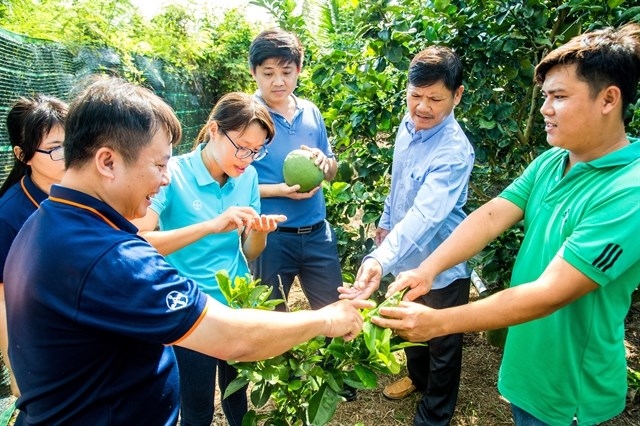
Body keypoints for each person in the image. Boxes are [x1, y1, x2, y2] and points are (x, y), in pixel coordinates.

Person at [3, 75, 371, 425]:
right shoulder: (107, 256)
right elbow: (232, 337)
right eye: (159, 164)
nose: (165, 177)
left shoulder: (43, 221)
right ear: (107, 161)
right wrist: (326, 319)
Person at [369, 23, 640, 426]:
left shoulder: (628, 190)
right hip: (526, 371)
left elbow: (549, 294)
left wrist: (439, 322)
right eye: (546, 96)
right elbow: (490, 215)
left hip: (569, 394)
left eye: (559, 97)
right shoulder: (553, 161)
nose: (546, 108)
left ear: (609, 99)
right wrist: (427, 270)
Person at [340, 46, 475, 425]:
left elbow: (426, 215)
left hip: (441, 262)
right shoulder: (407, 125)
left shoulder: (453, 152)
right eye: (415, 96)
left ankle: (435, 413)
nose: (422, 107)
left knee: (443, 345)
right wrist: (385, 222)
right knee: (408, 327)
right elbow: (399, 184)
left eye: (435, 98)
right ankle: (417, 379)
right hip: (403, 259)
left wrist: (379, 258)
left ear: (457, 95)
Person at [132, 92, 285, 426]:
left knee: (237, 396)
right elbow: (139, 241)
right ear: (215, 130)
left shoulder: (248, 177)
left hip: (236, 301)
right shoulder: (173, 173)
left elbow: (248, 252)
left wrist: (260, 231)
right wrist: (210, 226)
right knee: (197, 406)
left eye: (256, 151)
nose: (247, 158)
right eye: (241, 146)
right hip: (189, 309)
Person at [0, 94, 68, 401]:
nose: (68, 155)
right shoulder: (8, 217)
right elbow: (2, 300)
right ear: (22, 154)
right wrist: (15, 369)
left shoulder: (87, 191)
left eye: (72, 142)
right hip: (43, 350)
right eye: (55, 149)